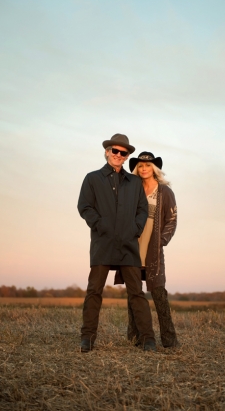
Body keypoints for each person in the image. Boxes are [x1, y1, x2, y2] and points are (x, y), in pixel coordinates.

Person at [77, 135, 156, 352]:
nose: (118, 155)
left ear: (127, 156)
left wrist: (135, 229)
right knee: (94, 290)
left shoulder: (134, 183)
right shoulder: (92, 179)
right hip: (102, 243)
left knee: (136, 293)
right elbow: (84, 206)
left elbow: (142, 210)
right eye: (115, 151)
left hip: (128, 245)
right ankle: (87, 338)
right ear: (107, 151)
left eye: (123, 153)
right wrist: (100, 225)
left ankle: (148, 339)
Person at [116, 151, 178, 348]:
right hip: (133, 247)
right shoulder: (132, 189)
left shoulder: (165, 192)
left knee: (159, 293)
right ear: (136, 168)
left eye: (148, 165)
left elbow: (172, 220)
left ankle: (169, 340)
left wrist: (161, 241)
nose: (143, 169)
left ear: (154, 169)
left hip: (152, 250)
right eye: (140, 166)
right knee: (134, 294)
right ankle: (135, 337)